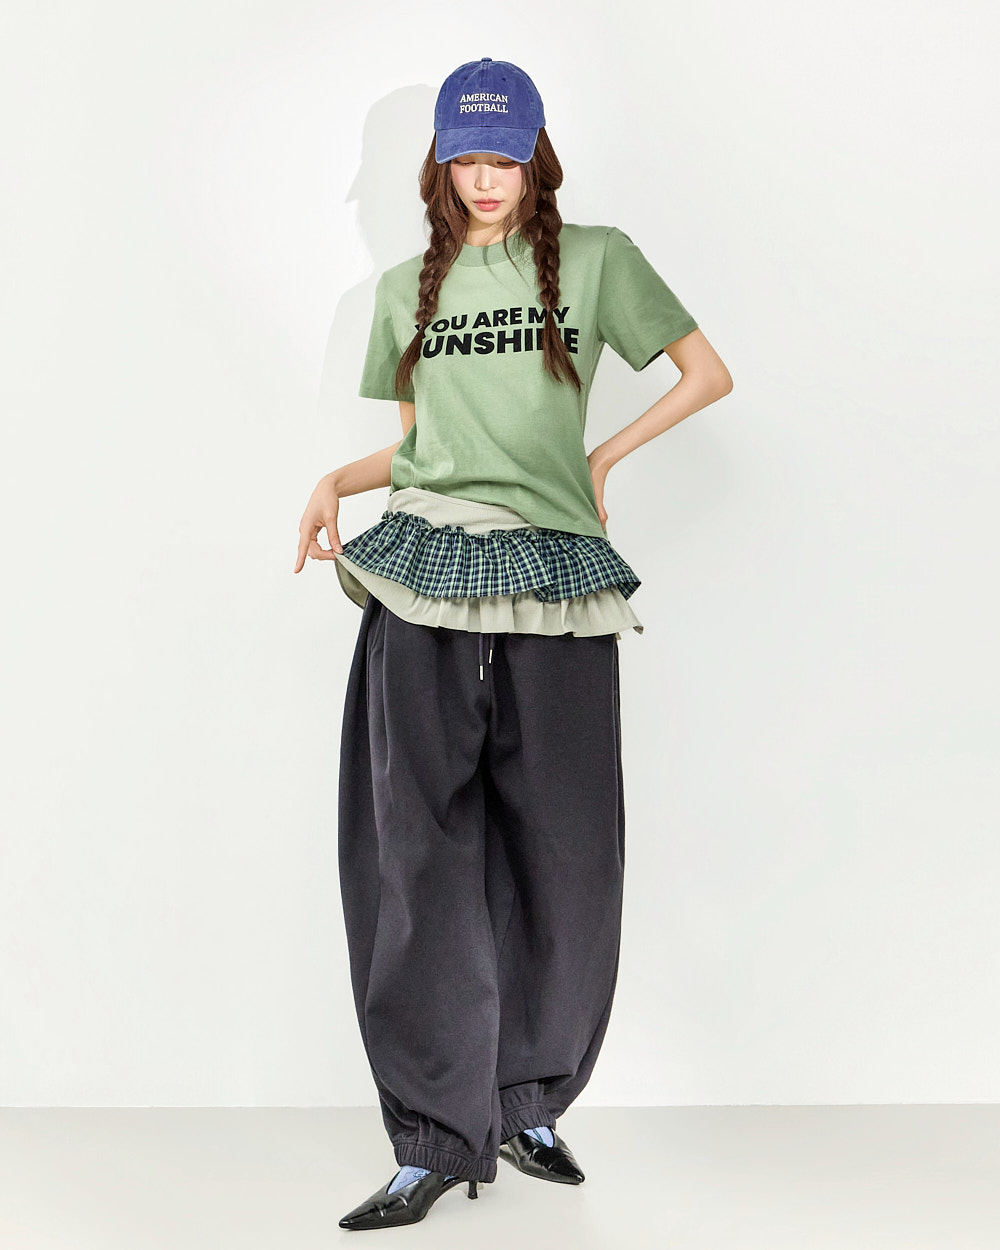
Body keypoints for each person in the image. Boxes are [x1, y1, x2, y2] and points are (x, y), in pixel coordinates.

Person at [294, 57, 733, 1232]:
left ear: (536, 156)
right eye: (465, 159)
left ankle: (527, 1096)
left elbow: (706, 372)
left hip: (554, 576)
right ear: (439, 167)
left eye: (503, 156)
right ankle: (433, 1136)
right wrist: (336, 477)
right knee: (415, 853)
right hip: (424, 568)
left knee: (568, 850)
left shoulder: (596, 259)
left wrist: (602, 456)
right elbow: (425, 447)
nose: (485, 179)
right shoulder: (404, 289)